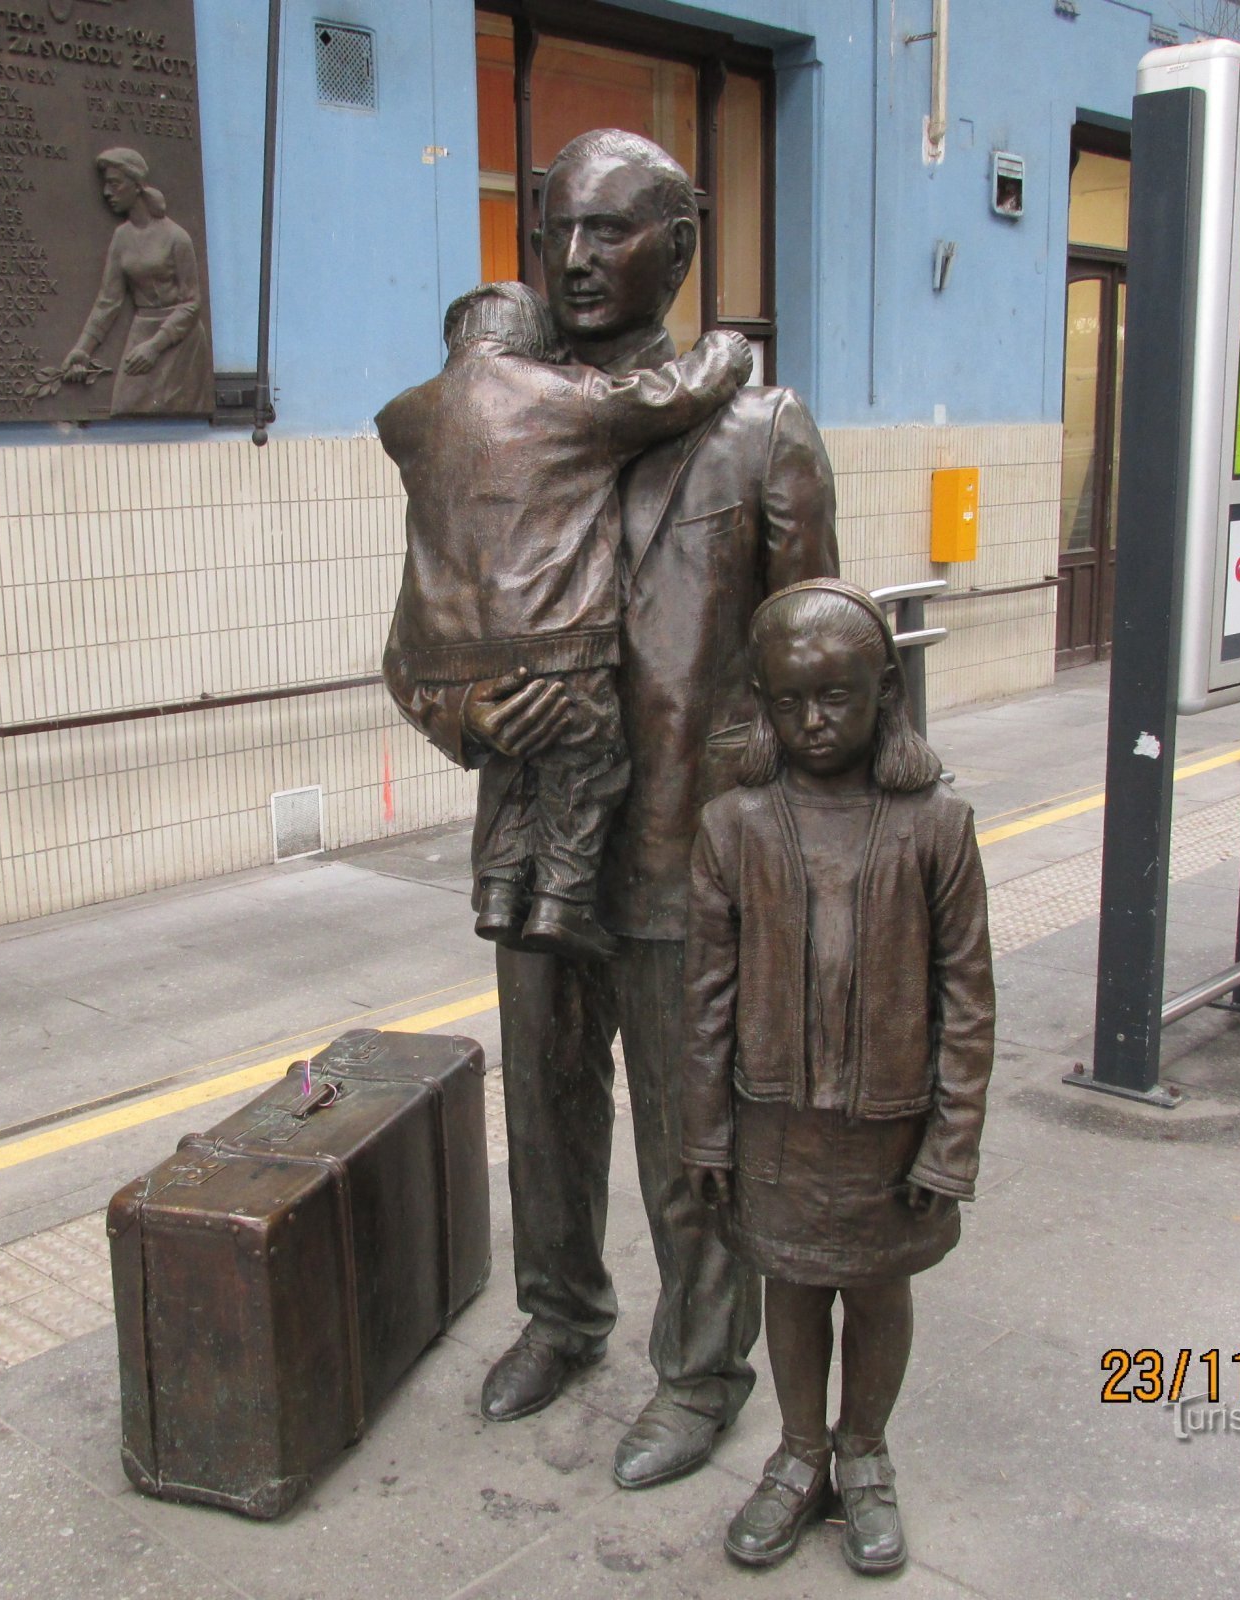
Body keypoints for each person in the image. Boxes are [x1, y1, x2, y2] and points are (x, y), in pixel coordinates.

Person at [383, 129, 838, 1489]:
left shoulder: (761, 430)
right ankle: (560, 1316)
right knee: (547, 1098)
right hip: (536, 824)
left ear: (681, 250)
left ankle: (700, 1373)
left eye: (610, 232)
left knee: (692, 1124)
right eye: (558, 231)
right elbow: (418, 643)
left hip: (690, 842)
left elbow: (827, 655)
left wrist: (839, 862)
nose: (575, 258)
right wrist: (462, 717)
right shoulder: (490, 410)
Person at [680, 579, 994, 1574]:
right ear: (762, 703)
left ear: (883, 695)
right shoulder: (733, 825)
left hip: (892, 1129)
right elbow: (706, 999)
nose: (814, 721)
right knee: (793, 1278)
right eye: (790, 701)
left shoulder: (936, 823)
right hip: (773, 1121)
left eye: (838, 698)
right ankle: (799, 1449)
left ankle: (862, 1453)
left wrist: (951, 1145)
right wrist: (704, 1129)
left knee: (878, 1283)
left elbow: (968, 999)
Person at [376, 281, 754, 961]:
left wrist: (461, 712)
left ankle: (496, 890)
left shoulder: (408, 417)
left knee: (513, 762)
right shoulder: (564, 395)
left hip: (456, 656)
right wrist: (724, 348)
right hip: (560, 639)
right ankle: (558, 902)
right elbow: (675, 394)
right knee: (590, 760)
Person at [61, 147, 212, 416]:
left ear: (137, 185)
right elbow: (108, 301)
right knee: (124, 406)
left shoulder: (177, 237)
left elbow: (191, 304)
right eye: (105, 184)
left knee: (172, 411)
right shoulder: (121, 238)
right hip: (141, 331)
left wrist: (155, 347)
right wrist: (83, 349)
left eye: (114, 183)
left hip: (178, 341)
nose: (107, 192)